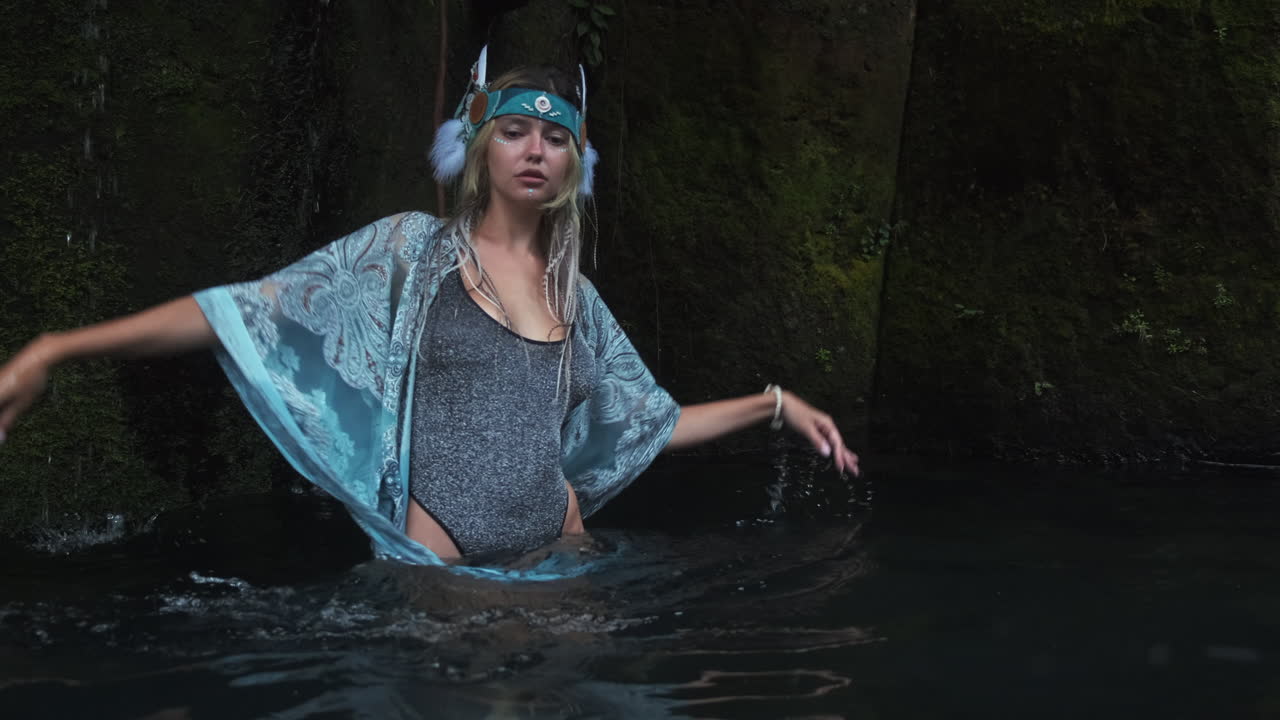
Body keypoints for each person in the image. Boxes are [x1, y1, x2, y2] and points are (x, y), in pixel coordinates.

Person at [0, 49, 859, 572]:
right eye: (517, 131)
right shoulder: (412, 252)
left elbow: (647, 422)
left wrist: (775, 406)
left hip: (560, 557)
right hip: (436, 564)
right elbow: (247, 314)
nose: (536, 149)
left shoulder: (578, 298)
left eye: (557, 137)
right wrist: (57, 348)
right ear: (479, 150)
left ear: (573, 168)